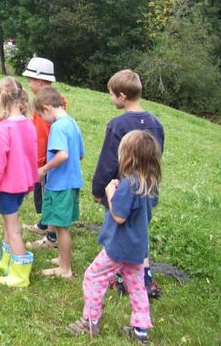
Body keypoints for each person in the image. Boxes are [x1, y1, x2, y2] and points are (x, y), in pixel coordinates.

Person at [67, 129, 162, 344]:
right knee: (137, 287)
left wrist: (111, 192)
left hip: (119, 247)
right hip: (138, 248)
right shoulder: (150, 182)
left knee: (93, 277)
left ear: (129, 156)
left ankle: (90, 321)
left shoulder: (129, 183)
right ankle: (140, 330)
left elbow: (119, 215)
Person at [92, 69, 164, 297]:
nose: (111, 98)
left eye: (112, 94)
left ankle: (119, 275)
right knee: (139, 232)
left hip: (121, 190)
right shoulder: (156, 124)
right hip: (147, 188)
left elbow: (108, 161)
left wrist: (99, 190)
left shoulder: (118, 124)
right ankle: (145, 277)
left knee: (117, 232)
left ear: (122, 96)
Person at [0, 77, 38, 288]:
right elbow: (31, 155)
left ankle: (20, 275)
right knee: (8, 223)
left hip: (9, 187)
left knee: (13, 229)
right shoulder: (28, 124)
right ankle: (7, 261)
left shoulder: (3, 129)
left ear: (0, 98)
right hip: (22, 184)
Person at [29, 86, 84, 278]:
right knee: (62, 226)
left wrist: (44, 169)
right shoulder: (72, 123)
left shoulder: (58, 127)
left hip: (61, 185)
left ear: (47, 108)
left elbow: (63, 154)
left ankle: (65, 269)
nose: (42, 120)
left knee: (61, 228)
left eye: (40, 115)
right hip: (72, 182)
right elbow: (81, 155)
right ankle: (62, 259)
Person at [20, 56, 67, 249]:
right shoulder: (45, 102)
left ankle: (51, 237)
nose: (29, 84)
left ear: (40, 81)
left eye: (30, 80)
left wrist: (44, 162)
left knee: (49, 197)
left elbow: (50, 137)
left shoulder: (50, 106)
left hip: (48, 162)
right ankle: (43, 225)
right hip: (41, 160)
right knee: (43, 196)